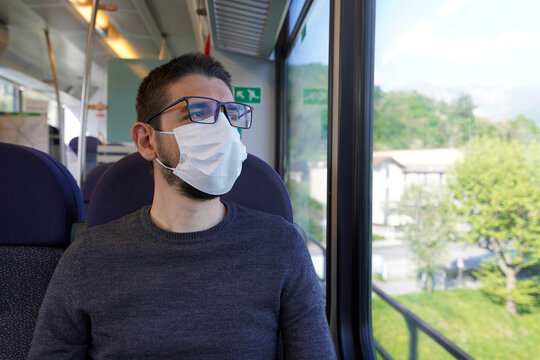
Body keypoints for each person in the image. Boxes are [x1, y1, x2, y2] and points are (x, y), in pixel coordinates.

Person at [28, 53, 336, 359]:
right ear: (147, 141)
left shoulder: (281, 246)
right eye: (198, 113)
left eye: (231, 115)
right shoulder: (88, 258)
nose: (223, 132)